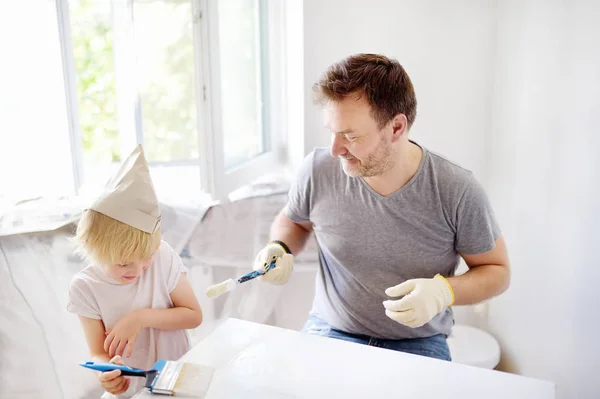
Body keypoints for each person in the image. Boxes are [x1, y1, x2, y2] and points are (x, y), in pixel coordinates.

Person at [253, 53, 510, 361]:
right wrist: (279, 246)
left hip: (418, 343)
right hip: (331, 330)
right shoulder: (317, 169)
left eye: (350, 136)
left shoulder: (456, 190)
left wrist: (444, 292)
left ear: (397, 128)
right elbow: (294, 221)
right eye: (331, 132)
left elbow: (497, 271)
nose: (335, 149)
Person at [66, 145, 203, 398]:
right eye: (123, 263)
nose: (138, 270)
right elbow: (97, 353)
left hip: (175, 380)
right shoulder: (85, 287)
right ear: (95, 250)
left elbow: (193, 316)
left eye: (146, 258)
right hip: (130, 390)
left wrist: (139, 318)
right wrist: (106, 375)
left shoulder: (162, 256)